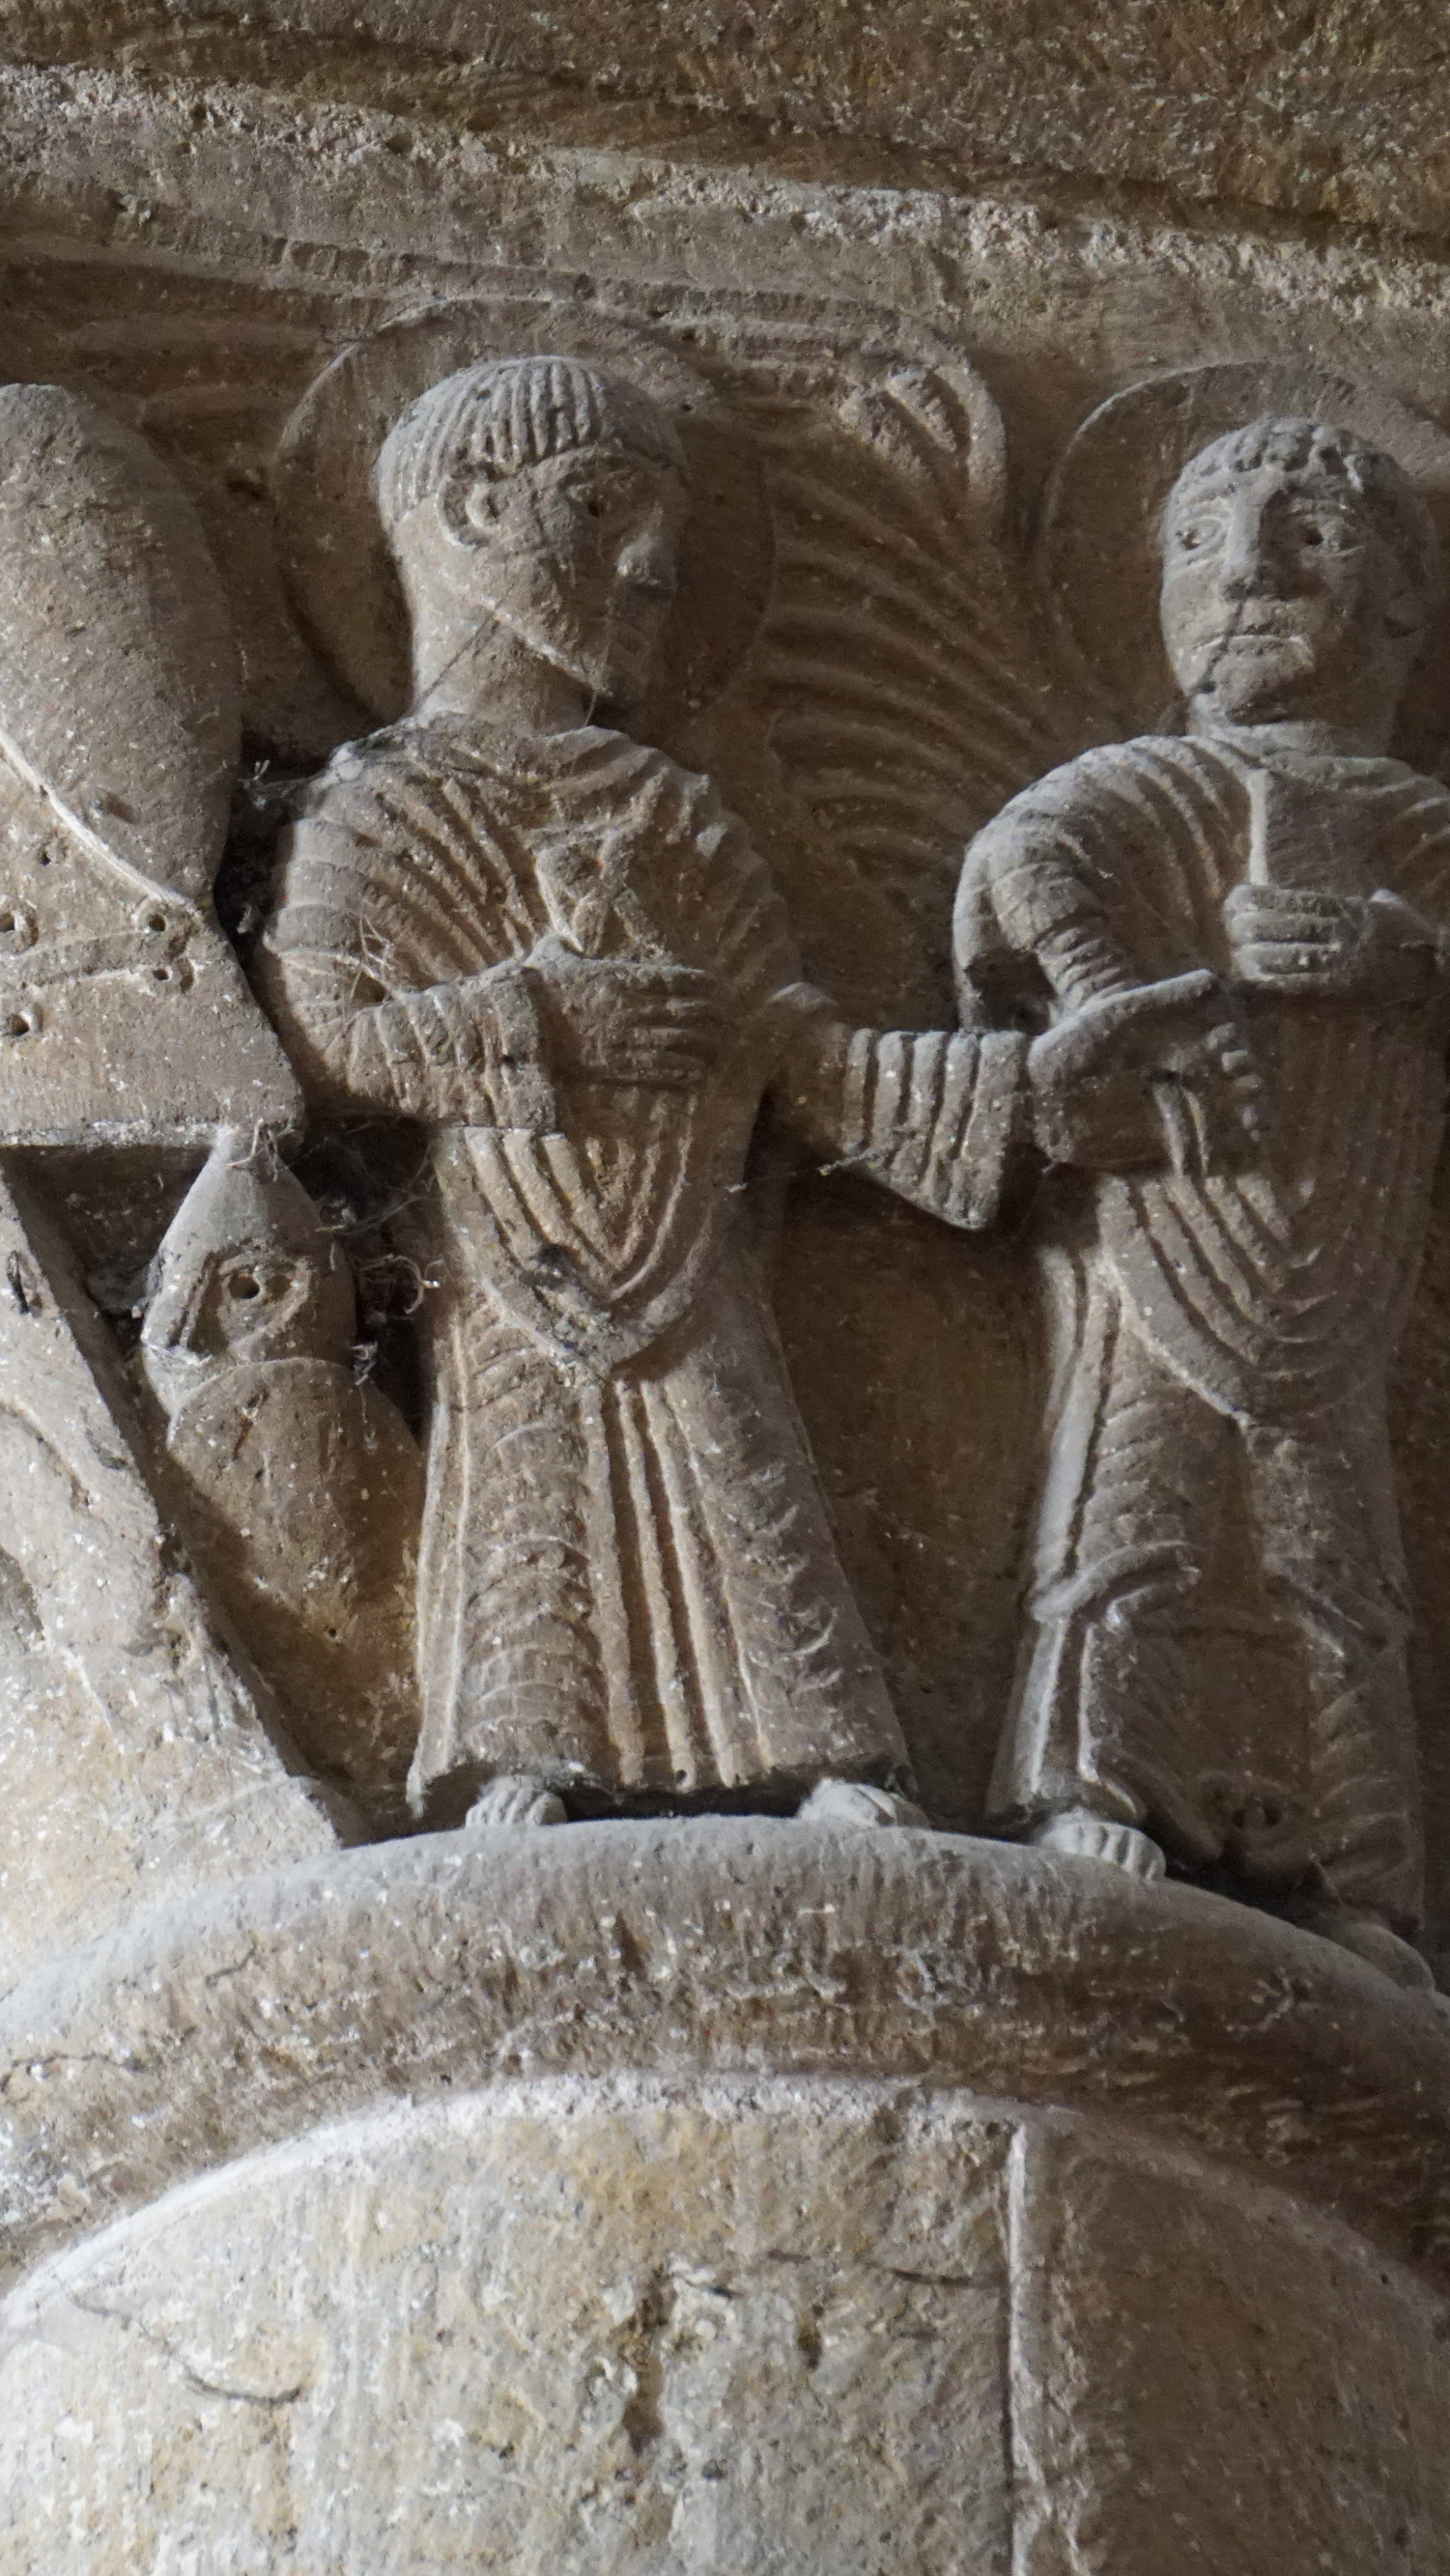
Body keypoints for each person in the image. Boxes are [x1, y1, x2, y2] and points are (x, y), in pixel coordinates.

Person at [262, 354, 1034, 1829]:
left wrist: (985, 1098)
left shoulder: (669, 807)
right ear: (479, 513)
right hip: (507, 1233)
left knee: (733, 1457)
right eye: (604, 504)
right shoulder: (382, 798)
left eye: (663, 523)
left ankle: (823, 1759)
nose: (655, 559)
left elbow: (785, 1035)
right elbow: (331, 1034)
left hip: (685, 1215)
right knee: (530, 1468)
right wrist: (541, 1016)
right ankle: (523, 1755)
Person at [954, 414, 1450, 1960]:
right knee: (1132, 1502)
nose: (1243, 568)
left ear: (1398, 608)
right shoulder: (1135, 785)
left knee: (1332, 1542)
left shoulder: (1419, 825)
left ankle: (1355, 1866)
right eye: (1196, 540)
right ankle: (1086, 1781)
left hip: (1345, 1228)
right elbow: (1014, 866)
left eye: (1308, 535)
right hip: (1162, 1221)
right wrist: (1111, 986)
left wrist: (1414, 957)